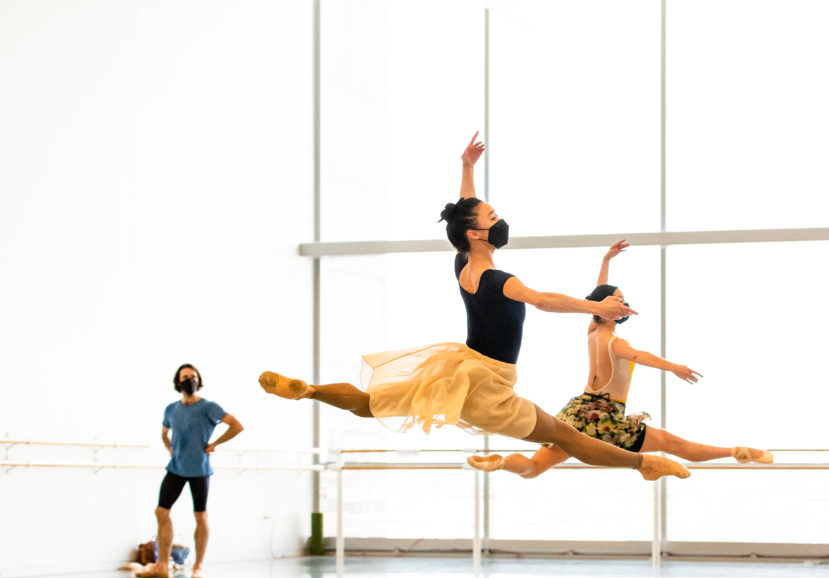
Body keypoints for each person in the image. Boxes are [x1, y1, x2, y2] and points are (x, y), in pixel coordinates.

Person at [259, 133, 688, 481]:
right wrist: (596, 308)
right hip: (491, 386)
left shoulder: (463, 263)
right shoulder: (501, 281)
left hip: (455, 370)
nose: (499, 221)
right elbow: (543, 300)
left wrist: (467, 169)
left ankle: (311, 390)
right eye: (493, 218)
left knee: (374, 401)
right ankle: (644, 464)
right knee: (567, 436)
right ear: (479, 235)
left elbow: (464, 217)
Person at [467, 240, 773, 477]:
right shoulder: (615, 341)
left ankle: (503, 462)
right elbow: (638, 354)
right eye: (619, 299)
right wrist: (675, 367)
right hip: (607, 419)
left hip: (578, 412)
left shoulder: (593, 331)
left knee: (534, 467)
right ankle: (737, 450)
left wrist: (606, 261)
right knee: (673, 445)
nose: (623, 303)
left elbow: (596, 299)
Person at [137, 363, 244, 578]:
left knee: (200, 516)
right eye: (185, 377)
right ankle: (162, 565)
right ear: (178, 382)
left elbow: (236, 425)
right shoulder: (171, 409)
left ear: (199, 380)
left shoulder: (208, 407)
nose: (189, 380)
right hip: (176, 468)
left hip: (200, 469)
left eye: (193, 376)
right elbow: (164, 433)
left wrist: (214, 444)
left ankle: (198, 566)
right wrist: (170, 448)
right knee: (161, 511)